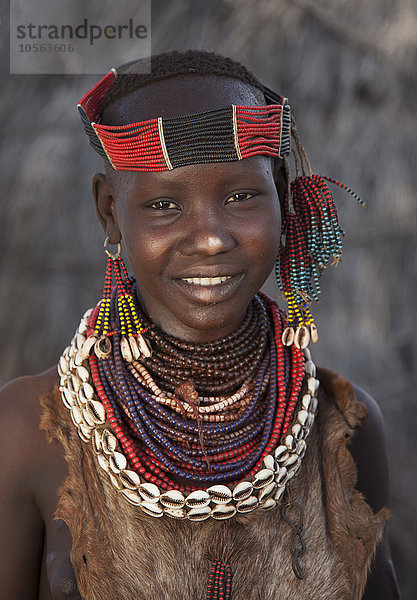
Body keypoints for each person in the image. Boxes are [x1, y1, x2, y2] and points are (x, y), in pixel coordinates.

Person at [0, 50, 400, 599]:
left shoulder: (345, 427)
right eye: (164, 205)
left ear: (283, 197)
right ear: (110, 213)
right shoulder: (27, 431)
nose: (211, 237)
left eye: (241, 196)